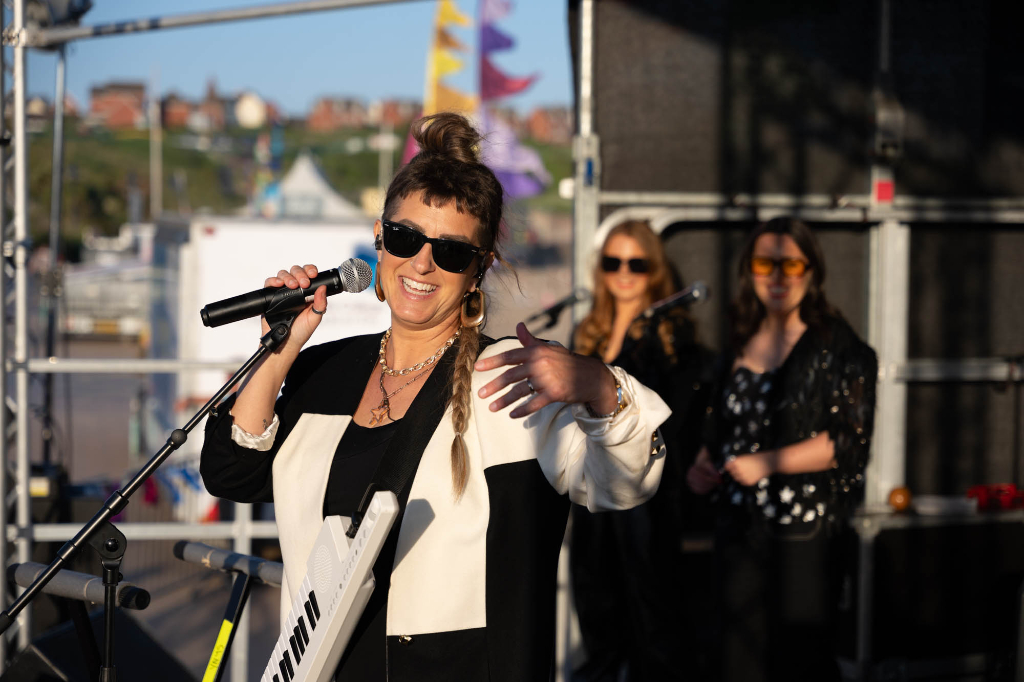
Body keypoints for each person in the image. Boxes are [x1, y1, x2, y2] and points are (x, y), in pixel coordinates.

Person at [200, 113, 672, 682]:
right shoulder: (325, 371)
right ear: (380, 239)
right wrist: (280, 350)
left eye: (451, 252)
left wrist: (599, 385)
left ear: (479, 270)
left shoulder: (510, 378)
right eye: (405, 238)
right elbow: (231, 473)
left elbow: (624, 483)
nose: (422, 262)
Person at [686, 216, 877, 682]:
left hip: (802, 536)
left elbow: (849, 441)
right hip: (738, 531)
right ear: (748, 271)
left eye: (790, 264)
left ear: (812, 271)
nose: (776, 277)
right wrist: (703, 465)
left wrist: (768, 463)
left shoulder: (838, 345)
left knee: (799, 663)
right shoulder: (740, 339)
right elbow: (721, 430)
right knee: (736, 661)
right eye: (763, 264)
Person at [570, 220, 712, 682]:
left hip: (648, 502)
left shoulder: (672, 339)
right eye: (613, 262)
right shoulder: (586, 334)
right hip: (593, 502)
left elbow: (675, 419)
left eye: (637, 263)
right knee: (597, 617)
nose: (624, 273)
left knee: (654, 625)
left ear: (655, 270)